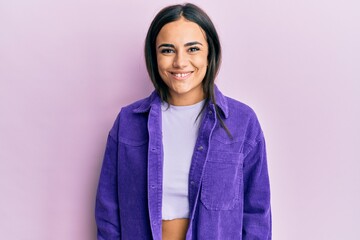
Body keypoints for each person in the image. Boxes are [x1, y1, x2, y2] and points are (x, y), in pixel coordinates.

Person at [95, 3, 271, 240]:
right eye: (167, 50)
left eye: (193, 49)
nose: (180, 62)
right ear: (154, 56)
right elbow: (108, 213)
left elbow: (257, 215)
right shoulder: (128, 122)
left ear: (209, 53)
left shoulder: (242, 122)